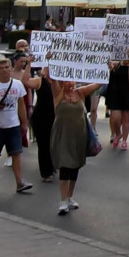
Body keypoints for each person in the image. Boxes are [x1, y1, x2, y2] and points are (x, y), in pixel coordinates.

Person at [0, 58, 33, 194]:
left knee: (16, 153)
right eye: (1, 68)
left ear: (10, 68)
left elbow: (21, 104)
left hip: (13, 125)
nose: (4, 70)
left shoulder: (17, 84)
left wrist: (24, 123)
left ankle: (19, 182)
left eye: (6, 67)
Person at [50, 78, 97, 215]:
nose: (70, 84)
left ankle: (69, 197)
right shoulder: (58, 95)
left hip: (78, 137)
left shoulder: (80, 93)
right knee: (65, 166)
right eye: (66, 81)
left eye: (72, 81)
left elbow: (98, 83)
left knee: (75, 166)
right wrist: (49, 60)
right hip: (63, 136)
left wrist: (107, 69)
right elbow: (53, 80)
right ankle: (63, 201)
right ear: (61, 82)